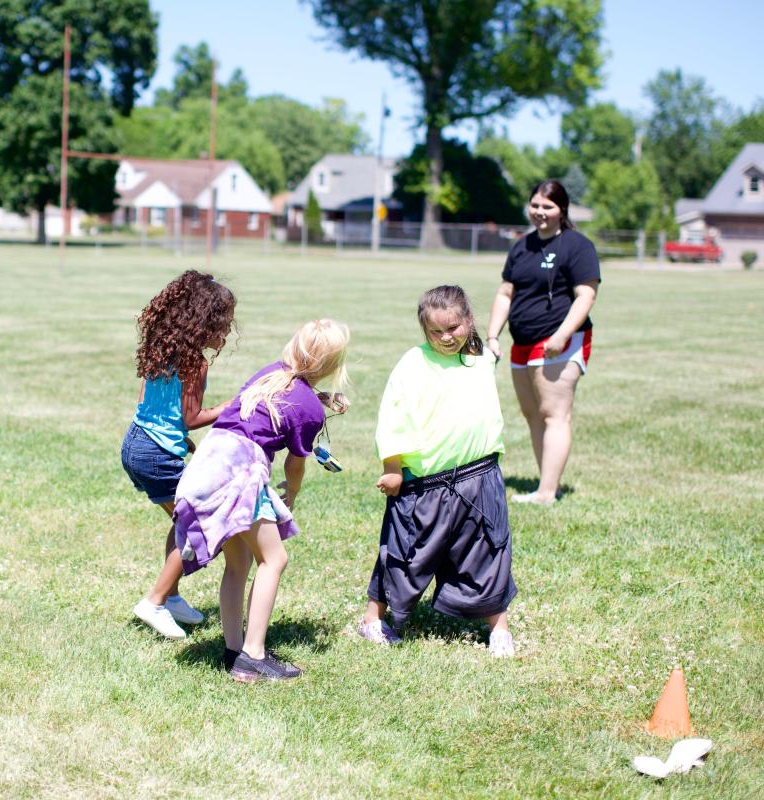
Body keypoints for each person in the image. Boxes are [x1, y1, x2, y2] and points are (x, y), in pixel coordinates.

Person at [174, 320, 350, 682]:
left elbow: (290, 398)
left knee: (238, 562)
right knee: (274, 558)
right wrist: (293, 494)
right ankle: (253, 655)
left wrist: (321, 399)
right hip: (240, 469)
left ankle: (233, 650)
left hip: (210, 460)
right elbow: (295, 464)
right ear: (333, 366)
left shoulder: (270, 374)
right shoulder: (310, 410)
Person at [358, 285, 516, 658]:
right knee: (406, 553)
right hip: (426, 485)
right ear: (423, 330)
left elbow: (488, 344)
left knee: (489, 551)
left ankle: (499, 628)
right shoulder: (413, 363)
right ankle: (372, 619)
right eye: (436, 332)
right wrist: (392, 467)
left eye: (454, 328)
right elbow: (393, 416)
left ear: (468, 321)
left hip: (480, 478)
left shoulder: (481, 360)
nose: (446, 337)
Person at [122, 270, 237, 639]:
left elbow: (149, 402)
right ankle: (154, 601)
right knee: (196, 524)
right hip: (157, 455)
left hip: (136, 443)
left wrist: (176, 436)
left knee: (181, 522)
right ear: (206, 322)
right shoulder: (195, 363)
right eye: (224, 324)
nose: (227, 332)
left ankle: (171, 598)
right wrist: (232, 405)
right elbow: (191, 416)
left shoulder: (162, 346)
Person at [487, 180, 601, 506]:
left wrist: (562, 335)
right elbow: (506, 292)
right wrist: (494, 335)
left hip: (558, 340)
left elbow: (586, 294)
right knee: (533, 415)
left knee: (554, 413)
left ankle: (547, 493)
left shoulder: (577, 246)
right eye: (535, 205)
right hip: (521, 342)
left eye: (547, 206)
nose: (540, 212)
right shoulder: (522, 246)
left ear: (562, 210)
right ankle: (547, 483)